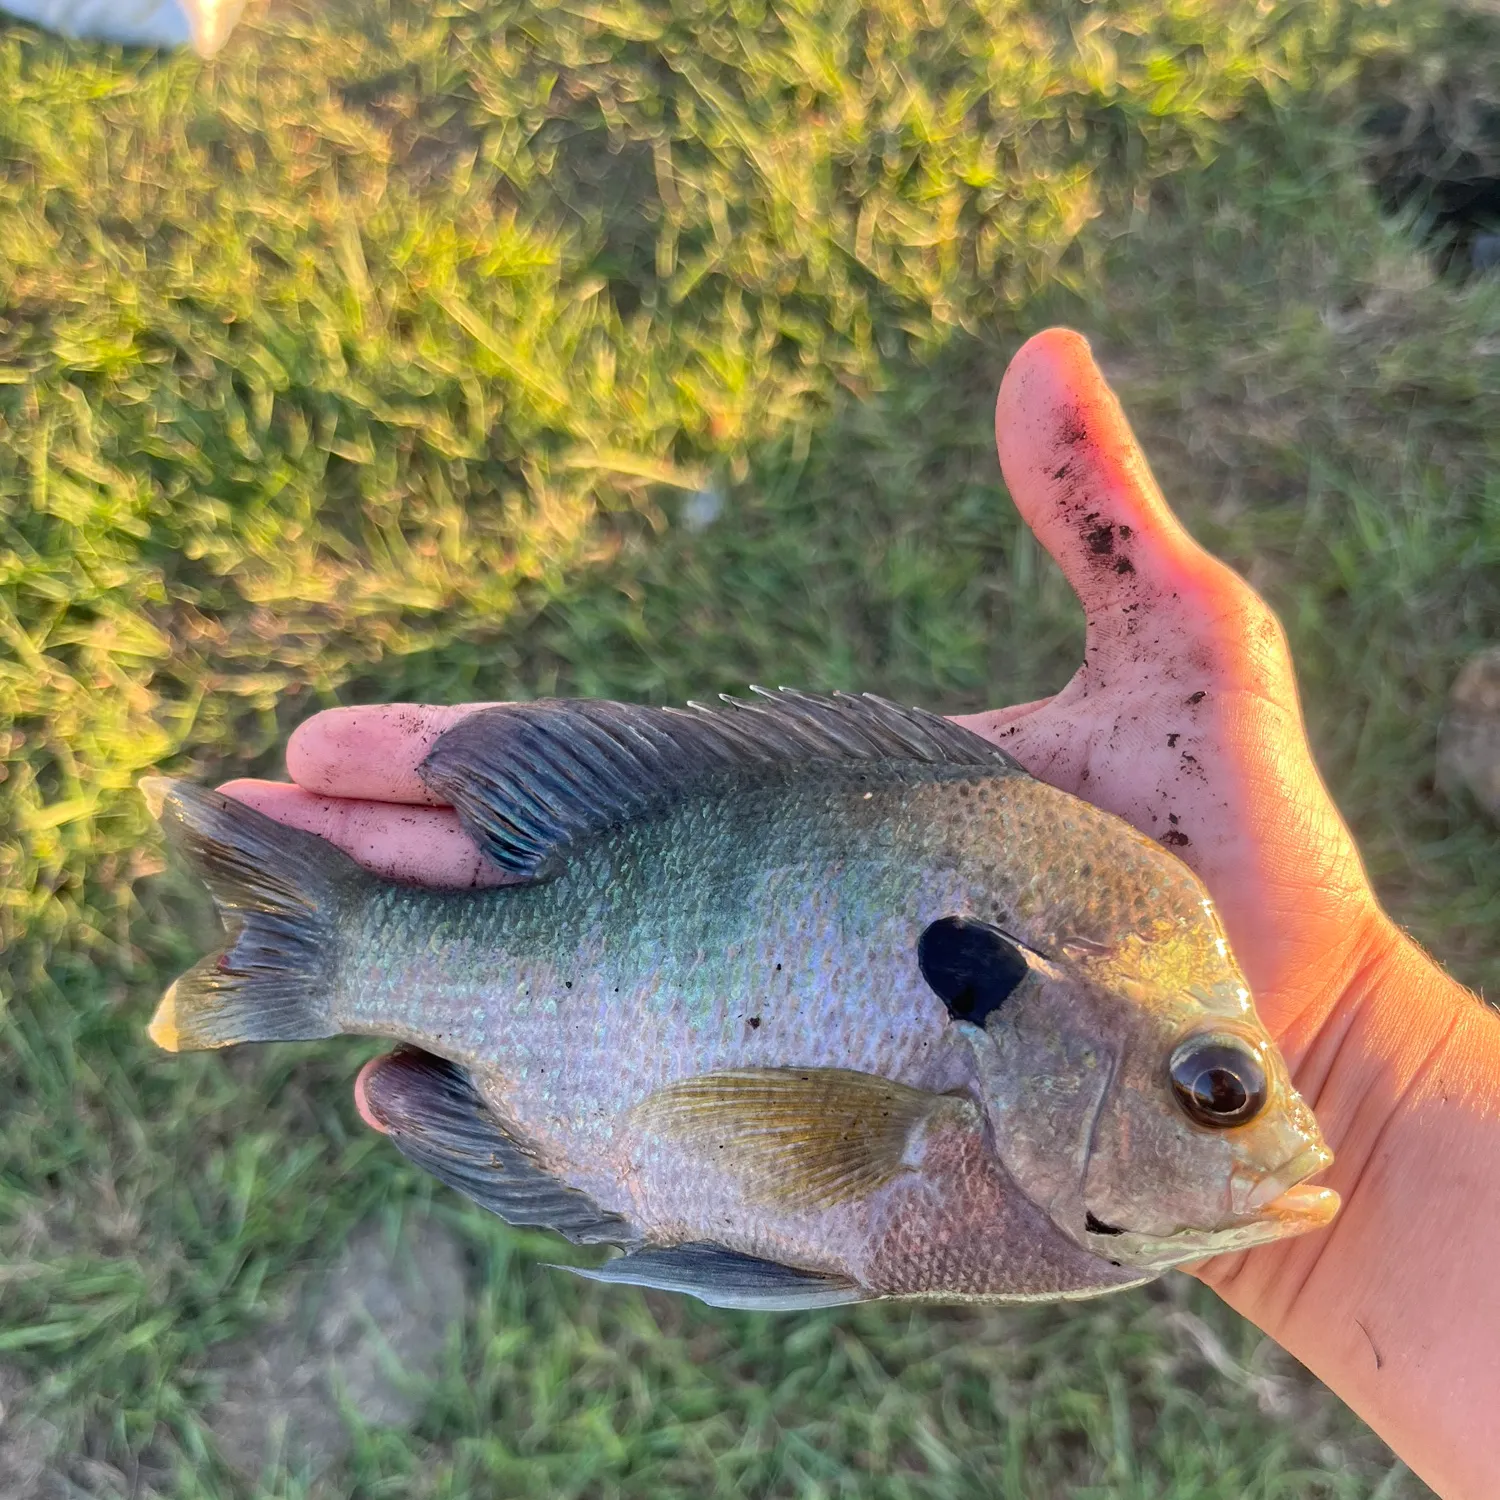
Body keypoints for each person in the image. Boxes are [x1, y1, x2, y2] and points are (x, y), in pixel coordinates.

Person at [219, 329, 1500, 1500]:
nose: (1270, 1126)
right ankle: (319, 952)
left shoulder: (1129, 993)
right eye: (1215, 1085)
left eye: (1227, 1091)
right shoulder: (1107, 978)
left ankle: (313, 952)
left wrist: (1365, 1080)